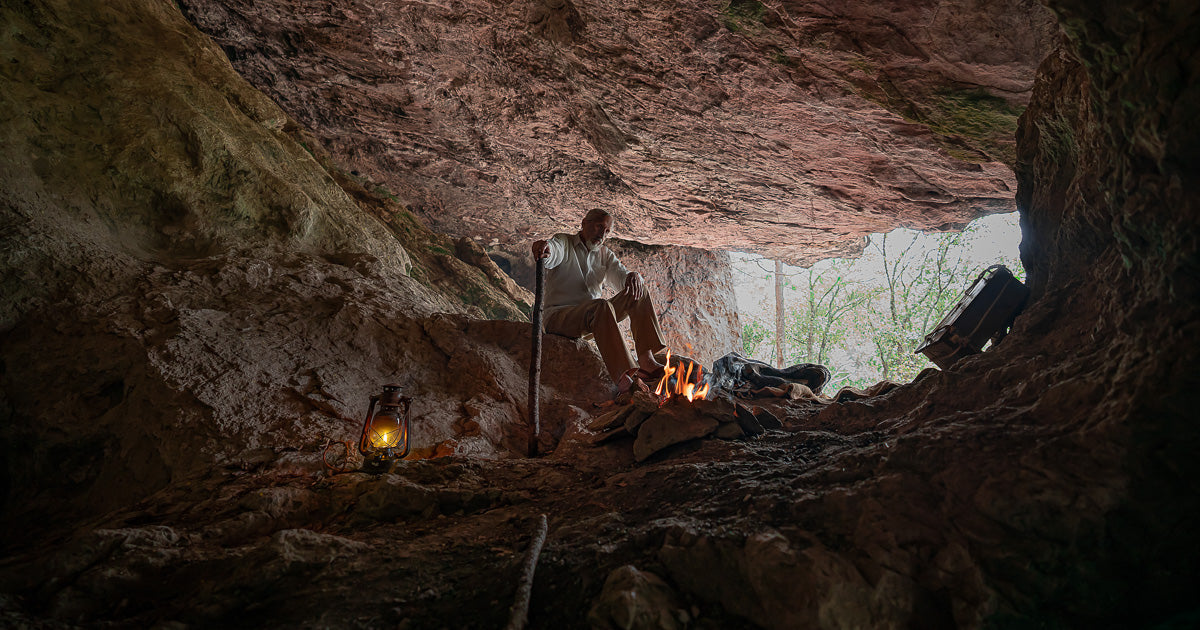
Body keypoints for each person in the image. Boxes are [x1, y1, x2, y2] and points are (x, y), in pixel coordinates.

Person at [531, 209, 668, 392]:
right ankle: (623, 375)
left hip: (593, 319)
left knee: (638, 289)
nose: (602, 234)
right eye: (599, 227)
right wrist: (546, 249)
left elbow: (621, 277)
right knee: (600, 305)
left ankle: (646, 361)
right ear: (584, 223)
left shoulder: (604, 254)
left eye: (607, 231)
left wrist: (632, 276)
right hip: (560, 318)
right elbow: (554, 251)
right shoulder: (565, 241)